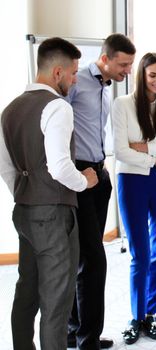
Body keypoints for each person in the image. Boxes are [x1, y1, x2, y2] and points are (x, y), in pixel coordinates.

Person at [0, 37, 98, 350]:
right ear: (57, 72)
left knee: (26, 292)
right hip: (54, 214)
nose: (74, 79)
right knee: (57, 299)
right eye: (72, 73)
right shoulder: (57, 106)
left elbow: (5, 167)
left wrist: (24, 192)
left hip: (24, 210)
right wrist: (85, 181)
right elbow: (59, 167)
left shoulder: (10, 109)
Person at [66, 33, 136, 350]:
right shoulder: (76, 81)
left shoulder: (105, 87)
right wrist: (73, 169)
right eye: (123, 64)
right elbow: (52, 126)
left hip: (99, 173)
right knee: (93, 262)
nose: (128, 71)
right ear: (105, 59)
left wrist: (101, 170)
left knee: (81, 256)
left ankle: (73, 330)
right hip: (79, 174)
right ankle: (87, 340)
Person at [112, 52, 156, 345]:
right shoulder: (123, 105)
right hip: (130, 181)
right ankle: (136, 315)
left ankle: (150, 314)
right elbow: (120, 150)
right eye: (152, 75)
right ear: (141, 75)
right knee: (140, 254)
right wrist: (155, 155)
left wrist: (145, 149)